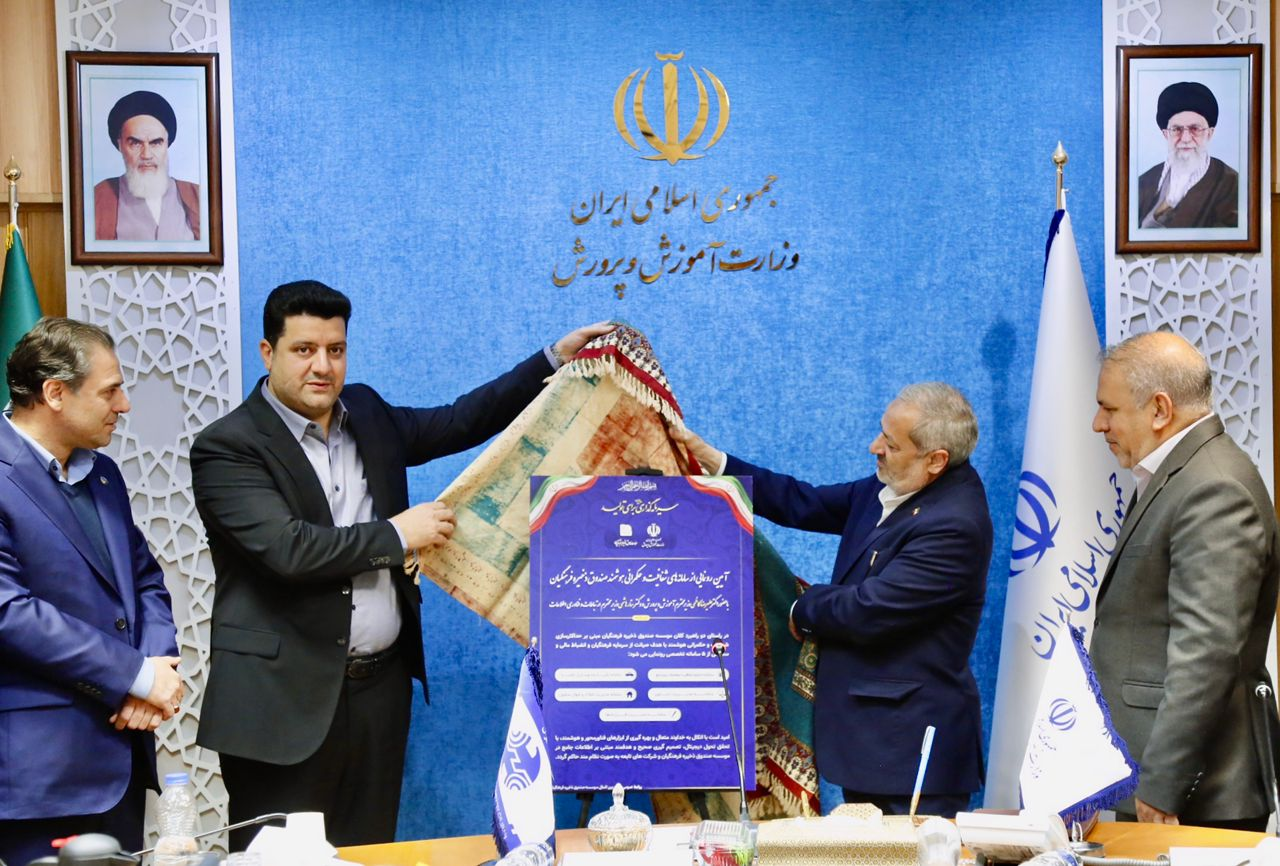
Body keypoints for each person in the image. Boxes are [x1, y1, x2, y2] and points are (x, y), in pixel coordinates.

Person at [190, 279, 612, 848]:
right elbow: (288, 549)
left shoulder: (365, 412)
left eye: (335, 349)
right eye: (304, 350)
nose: (322, 366)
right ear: (268, 353)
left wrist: (552, 359)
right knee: (279, 859)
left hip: (379, 694)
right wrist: (397, 534)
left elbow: (461, 419)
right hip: (281, 705)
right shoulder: (227, 446)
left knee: (372, 851)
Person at [674, 382, 991, 818]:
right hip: (871, 742)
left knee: (911, 853)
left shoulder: (955, 525)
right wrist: (717, 463)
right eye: (882, 433)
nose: (874, 447)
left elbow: (870, 608)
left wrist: (800, 606)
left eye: (891, 444)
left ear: (935, 460)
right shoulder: (899, 483)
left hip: (909, 754)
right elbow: (805, 503)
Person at [0, 318, 181, 866]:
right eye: (110, 391)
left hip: (122, 758)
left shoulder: (103, 475)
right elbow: (9, 612)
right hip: (42, 773)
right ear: (55, 393)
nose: (123, 405)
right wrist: (136, 676)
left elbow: (144, 578)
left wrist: (153, 668)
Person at [1090, 331, 1279, 831]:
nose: (1098, 424)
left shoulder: (1213, 487)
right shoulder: (1180, 474)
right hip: (1154, 780)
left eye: (1108, 408)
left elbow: (1207, 652)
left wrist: (1162, 784)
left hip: (1191, 796)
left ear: (1159, 409)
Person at [94, 90, 201, 242]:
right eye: (135, 143)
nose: (146, 155)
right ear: (120, 145)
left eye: (156, 143)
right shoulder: (98, 198)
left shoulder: (198, 196)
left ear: (167, 144)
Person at [1137, 81, 1239, 229]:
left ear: (1209, 133)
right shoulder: (1144, 181)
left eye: (1195, 129)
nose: (1185, 138)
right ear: (1166, 134)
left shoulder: (1231, 185)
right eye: (1176, 129)